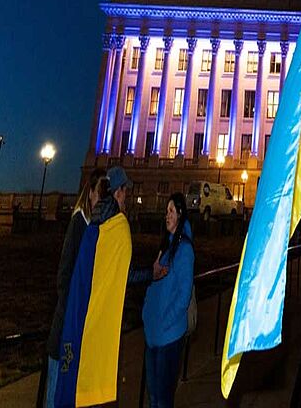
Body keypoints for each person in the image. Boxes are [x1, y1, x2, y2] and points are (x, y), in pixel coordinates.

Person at [54, 166, 135, 408]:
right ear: (118, 193)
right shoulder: (115, 227)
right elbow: (124, 274)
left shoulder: (94, 225)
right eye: (125, 192)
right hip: (97, 324)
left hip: (79, 318)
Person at [44, 168, 105, 408]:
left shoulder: (91, 226)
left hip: (77, 326)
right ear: (90, 192)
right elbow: (64, 275)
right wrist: (72, 312)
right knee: (56, 392)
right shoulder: (79, 223)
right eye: (101, 192)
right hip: (66, 326)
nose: (104, 198)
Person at [136, 193, 195, 407]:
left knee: (162, 400)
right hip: (153, 334)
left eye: (171, 211)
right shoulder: (167, 247)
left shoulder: (185, 250)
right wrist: (147, 313)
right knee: (154, 398)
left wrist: (164, 320)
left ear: (180, 214)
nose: (166, 215)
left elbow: (183, 295)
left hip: (168, 336)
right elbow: (155, 283)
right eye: (166, 211)